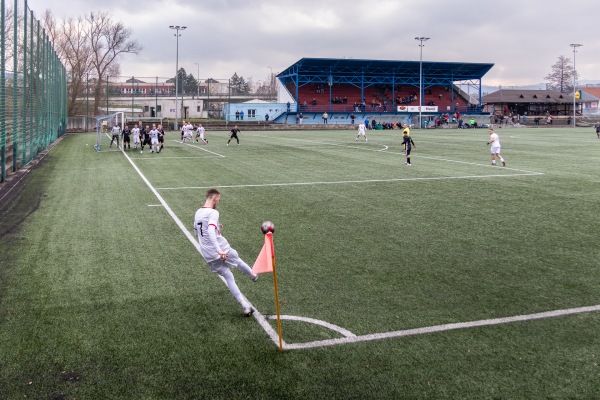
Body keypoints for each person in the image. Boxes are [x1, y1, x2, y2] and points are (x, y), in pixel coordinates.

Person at [194, 188, 258, 317]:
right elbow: (211, 231)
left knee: (228, 277)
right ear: (214, 198)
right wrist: (219, 249)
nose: (219, 202)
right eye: (219, 199)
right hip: (221, 249)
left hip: (208, 254)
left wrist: (217, 227)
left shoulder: (198, 212)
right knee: (238, 261)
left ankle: (245, 306)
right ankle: (253, 276)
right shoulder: (213, 212)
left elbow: (197, 232)